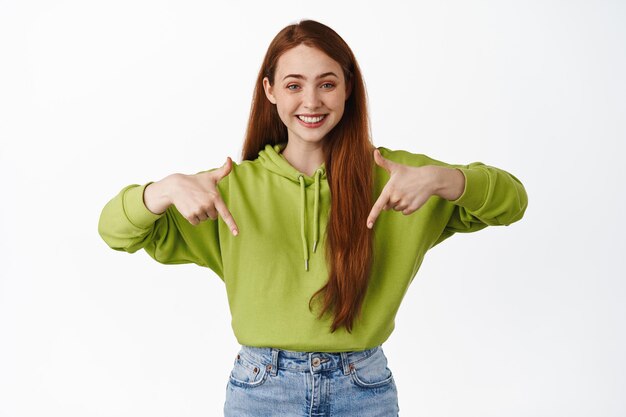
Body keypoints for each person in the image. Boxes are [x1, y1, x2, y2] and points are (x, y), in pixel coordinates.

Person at [98, 19, 528, 417]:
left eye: (326, 84)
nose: (311, 102)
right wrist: (162, 190)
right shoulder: (230, 188)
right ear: (269, 91)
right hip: (261, 390)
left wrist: (445, 179)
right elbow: (113, 231)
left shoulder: (398, 178)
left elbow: (513, 202)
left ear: (348, 88)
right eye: (293, 85)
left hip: (363, 389)